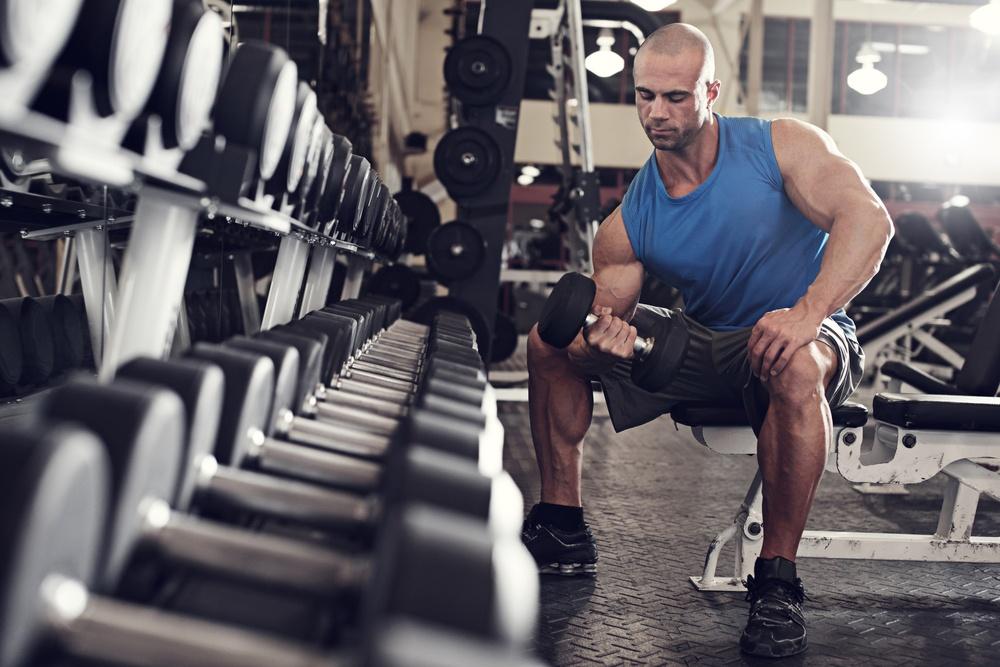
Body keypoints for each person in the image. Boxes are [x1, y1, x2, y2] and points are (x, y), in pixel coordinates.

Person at [521, 23, 893, 658]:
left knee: (796, 367)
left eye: (676, 97)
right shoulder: (634, 216)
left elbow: (870, 220)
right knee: (547, 345)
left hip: (809, 331)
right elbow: (606, 313)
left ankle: (776, 583)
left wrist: (807, 313)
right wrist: (603, 336)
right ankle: (561, 523)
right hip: (710, 342)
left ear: (711, 91)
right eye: (644, 96)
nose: (656, 113)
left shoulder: (779, 147)